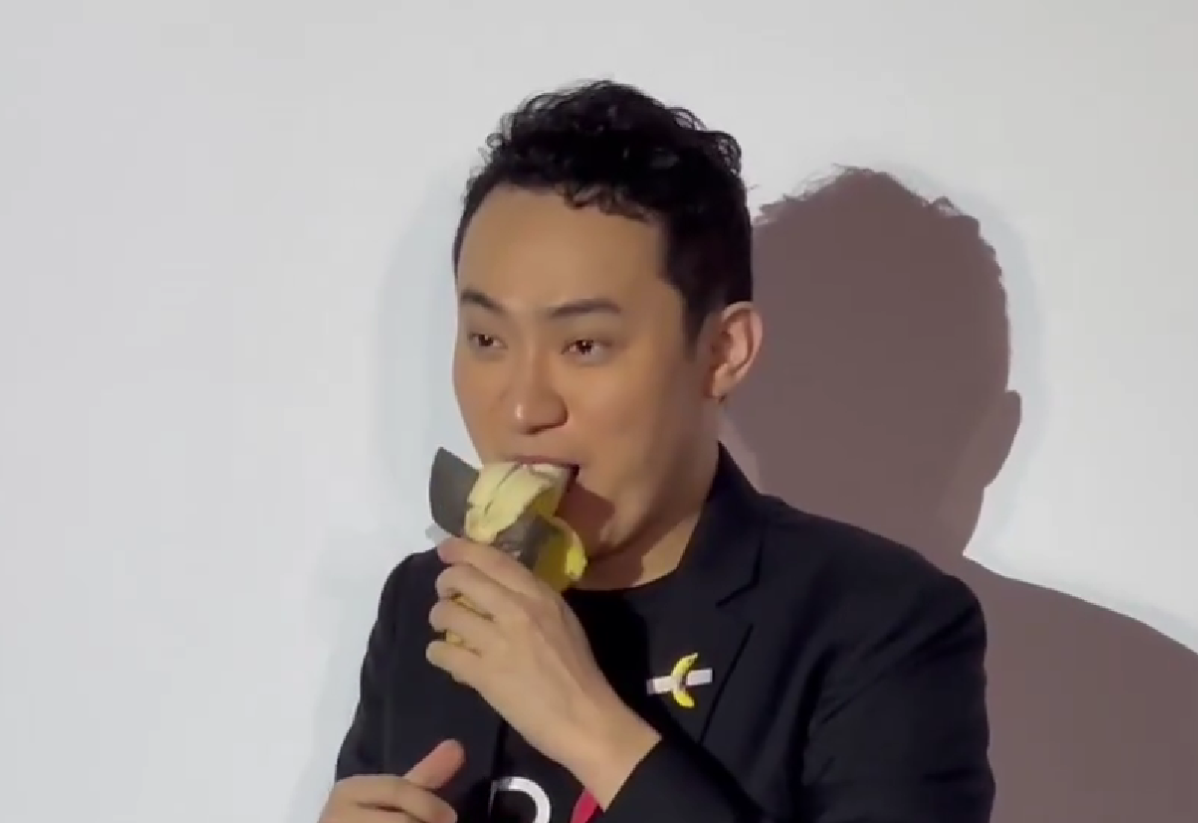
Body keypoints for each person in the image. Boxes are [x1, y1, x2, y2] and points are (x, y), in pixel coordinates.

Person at [318, 79, 994, 823]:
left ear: (723, 351)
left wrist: (587, 727)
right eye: (485, 338)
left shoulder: (878, 625)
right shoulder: (428, 601)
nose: (522, 407)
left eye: (584, 345)